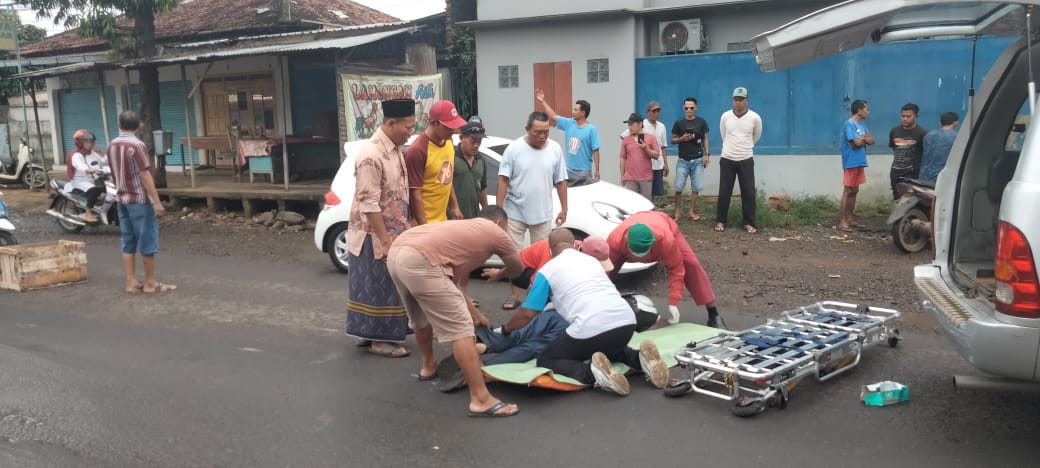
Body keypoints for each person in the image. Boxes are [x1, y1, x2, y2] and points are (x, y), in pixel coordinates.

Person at [386, 205, 524, 417]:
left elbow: (455, 288)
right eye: (505, 229)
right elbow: (517, 268)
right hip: (421, 259)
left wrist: (477, 316)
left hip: (398, 253)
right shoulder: (495, 231)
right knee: (462, 329)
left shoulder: (464, 232)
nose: (504, 233)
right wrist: (500, 274)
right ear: (500, 224)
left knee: (420, 316)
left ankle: (428, 366)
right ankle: (481, 399)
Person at [501, 229, 670, 396]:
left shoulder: (547, 270)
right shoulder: (592, 261)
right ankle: (639, 358)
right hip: (626, 321)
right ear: (575, 245)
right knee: (608, 347)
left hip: (591, 326)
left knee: (548, 359)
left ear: (550, 251)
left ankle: (592, 373)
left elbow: (527, 313)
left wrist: (506, 329)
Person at [346, 98, 416, 358]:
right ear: (390, 123)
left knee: (378, 285)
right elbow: (369, 203)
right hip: (372, 235)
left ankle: (367, 333)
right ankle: (380, 340)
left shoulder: (395, 149)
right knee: (379, 286)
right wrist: (385, 241)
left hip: (392, 232)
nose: (411, 132)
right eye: (408, 127)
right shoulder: (371, 155)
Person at [496, 111, 568, 310]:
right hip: (515, 211)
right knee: (513, 256)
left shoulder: (555, 149)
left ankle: (535, 295)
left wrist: (564, 208)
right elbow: (503, 179)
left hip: (542, 213)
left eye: (546, 132)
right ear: (527, 129)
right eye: (538, 132)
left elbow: (561, 180)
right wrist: (499, 211)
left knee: (544, 258)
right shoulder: (514, 149)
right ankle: (514, 294)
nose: (543, 136)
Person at [607, 210, 727, 330]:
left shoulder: (665, 240)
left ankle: (713, 313)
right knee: (608, 271)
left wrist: (673, 302)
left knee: (691, 264)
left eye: (643, 252)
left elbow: (676, 270)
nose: (641, 257)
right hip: (634, 229)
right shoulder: (615, 241)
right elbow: (603, 272)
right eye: (637, 253)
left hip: (663, 224)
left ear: (652, 242)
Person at [107, 111, 174, 294]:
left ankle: (131, 282)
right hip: (139, 199)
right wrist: (157, 201)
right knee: (147, 240)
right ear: (139, 126)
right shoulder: (137, 145)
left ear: (119, 124)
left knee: (128, 240)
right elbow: (145, 174)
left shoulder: (112, 144)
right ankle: (150, 282)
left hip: (121, 198)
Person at [406, 99, 467, 225]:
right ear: (434, 123)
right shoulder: (418, 150)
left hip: (442, 221)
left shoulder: (449, 142)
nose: (452, 130)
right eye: (448, 127)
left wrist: (455, 206)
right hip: (423, 224)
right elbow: (415, 195)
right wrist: (425, 227)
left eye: (454, 126)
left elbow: (447, 178)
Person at [716, 87, 763, 234]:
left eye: (741, 100)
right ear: (733, 100)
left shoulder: (755, 118)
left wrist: (745, 147)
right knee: (724, 192)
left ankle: (749, 222)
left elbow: (756, 136)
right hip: (727, 158)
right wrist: (731, 148)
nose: (738, 103)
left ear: (746, 100)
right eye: (735, 99)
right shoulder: (725, 116)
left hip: (746, 159)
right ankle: (721, 221)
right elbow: (724, 134)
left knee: (748, 192)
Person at [535, 89, 601, 181]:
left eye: (575, 110)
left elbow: (595, 150)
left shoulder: (591, 129)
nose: (573, 111)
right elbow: (553, 116)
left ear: (583, 113)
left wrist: (597, 170)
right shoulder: (569, 123)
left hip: (584, 171)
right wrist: (542, 101)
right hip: (569, 170)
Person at [839, 99, 875, 231]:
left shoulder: (863, 125)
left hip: (860, 161)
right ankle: (843, 222)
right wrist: (863, 140)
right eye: (866, 109)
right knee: (848, 190)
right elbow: (855, 143)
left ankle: (850, 219)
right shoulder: (849, 125)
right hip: (850, 161)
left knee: (855, 191)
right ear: (859, 110)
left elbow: (872, 140)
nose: (868, 112)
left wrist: (862, 140)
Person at [671, 97, 710, 222]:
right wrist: (682, 138)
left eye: (691, 108)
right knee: (678, 187)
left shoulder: (701, 122)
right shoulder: (679, 123)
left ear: (696, 108)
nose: (689, 110)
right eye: (687, 108)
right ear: (683, 108)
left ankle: (691, 210)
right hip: (683, 159)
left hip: (698, 159)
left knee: (696, 187)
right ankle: (677, 210)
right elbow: (672, 140)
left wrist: (707, 155)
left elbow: (705, 138)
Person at [621, 101, 670, 199]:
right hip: (635, 172)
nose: (656, 113)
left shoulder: (661, 127)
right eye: (654, 111)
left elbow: (662, 147)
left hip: (655, 167)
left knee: (652, 195)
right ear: (648, 112)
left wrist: (665, 163)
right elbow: (623, 151)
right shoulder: (638, 127)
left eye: (658, 111)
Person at [64, 130, 107, 224]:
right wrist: (88, 169)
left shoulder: (92, 152)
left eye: (91, 141)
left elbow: (104, 161)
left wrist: (102, 153)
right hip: (79, 181)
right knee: (94, 190)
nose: (90, 143)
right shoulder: (76, 155)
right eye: (87, 141)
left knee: (109, 188)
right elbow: (80, 165)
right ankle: (88, 213)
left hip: (93, 179)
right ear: (80, 143)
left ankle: (102, 210)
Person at [888, 102, 928, 199]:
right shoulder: (894, 131)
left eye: (908, 116)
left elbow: (925, 153)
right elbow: (895, 148)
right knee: (897, 197)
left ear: (916, 116)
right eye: (903, 116)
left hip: (912, 173)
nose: (905, 119)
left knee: (911, 199)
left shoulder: (922, 133)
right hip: (896, 172)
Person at [451, 121, 489, 220]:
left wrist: (487, 212)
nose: (476, 145)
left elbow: (482, 189)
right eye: (473, 141)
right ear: (461, 138)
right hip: (454, 218)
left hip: (475, 218)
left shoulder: (481, 160)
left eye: (479, 141)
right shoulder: (451, 157)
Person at [619, 112, 661, 200]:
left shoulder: (651, 138)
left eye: (631, 124)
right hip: (630, 179)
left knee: (646, 205)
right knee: (632, 206)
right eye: (628, 125)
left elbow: (656, 155)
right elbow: (623, 158)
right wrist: (622, 176)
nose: (629, 127)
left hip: (646, 178)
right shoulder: (626, 140)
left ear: (640, 124)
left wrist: (646, 149)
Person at [919, 112, 959, 182]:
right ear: (955, 123)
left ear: (940, 123)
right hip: (942, 179)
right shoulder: (957, 137)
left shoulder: (928, 135)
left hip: (923, 177)